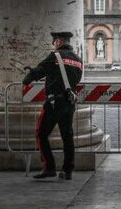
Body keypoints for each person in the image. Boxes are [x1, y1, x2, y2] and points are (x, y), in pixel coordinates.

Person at [22, 31, 83, 180]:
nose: (53, 44)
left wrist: (26, 79)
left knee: (41, 133)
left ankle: (49, 167)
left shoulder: (55, 56)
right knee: (67, 136)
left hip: (54, 103)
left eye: (54, 41)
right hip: (69, 103)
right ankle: (67, 171)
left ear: (58, 41)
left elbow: (39, 71)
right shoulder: (78, 60)